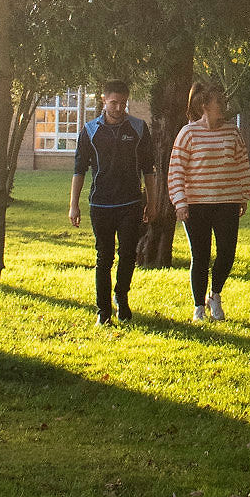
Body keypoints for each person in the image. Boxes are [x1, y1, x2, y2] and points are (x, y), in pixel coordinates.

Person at [68, 79, 153, 325]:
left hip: (131, 203)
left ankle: (121, 295)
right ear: (104, 101)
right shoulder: (90, 131)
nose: (118, 108)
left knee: (128, 254)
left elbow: (149, 169)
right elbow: (78, 170)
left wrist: (152, 201)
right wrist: (74, 205)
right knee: (104, 258)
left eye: (123, 103)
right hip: (101, 204)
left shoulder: (138, 128)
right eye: (113, 103)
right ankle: (103, 311)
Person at [167, 79, 250, 324]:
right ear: (204, 105)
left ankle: (215, 294)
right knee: (200, 256)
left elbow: (241, 164)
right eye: (219, 102)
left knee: (227, 252)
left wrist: (242, 195)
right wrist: (180, 202)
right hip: (196, 205)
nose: (223, 106)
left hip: (226, 203)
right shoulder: (188, 133)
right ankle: (198, 307)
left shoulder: (232, 132)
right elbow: (176, 170)